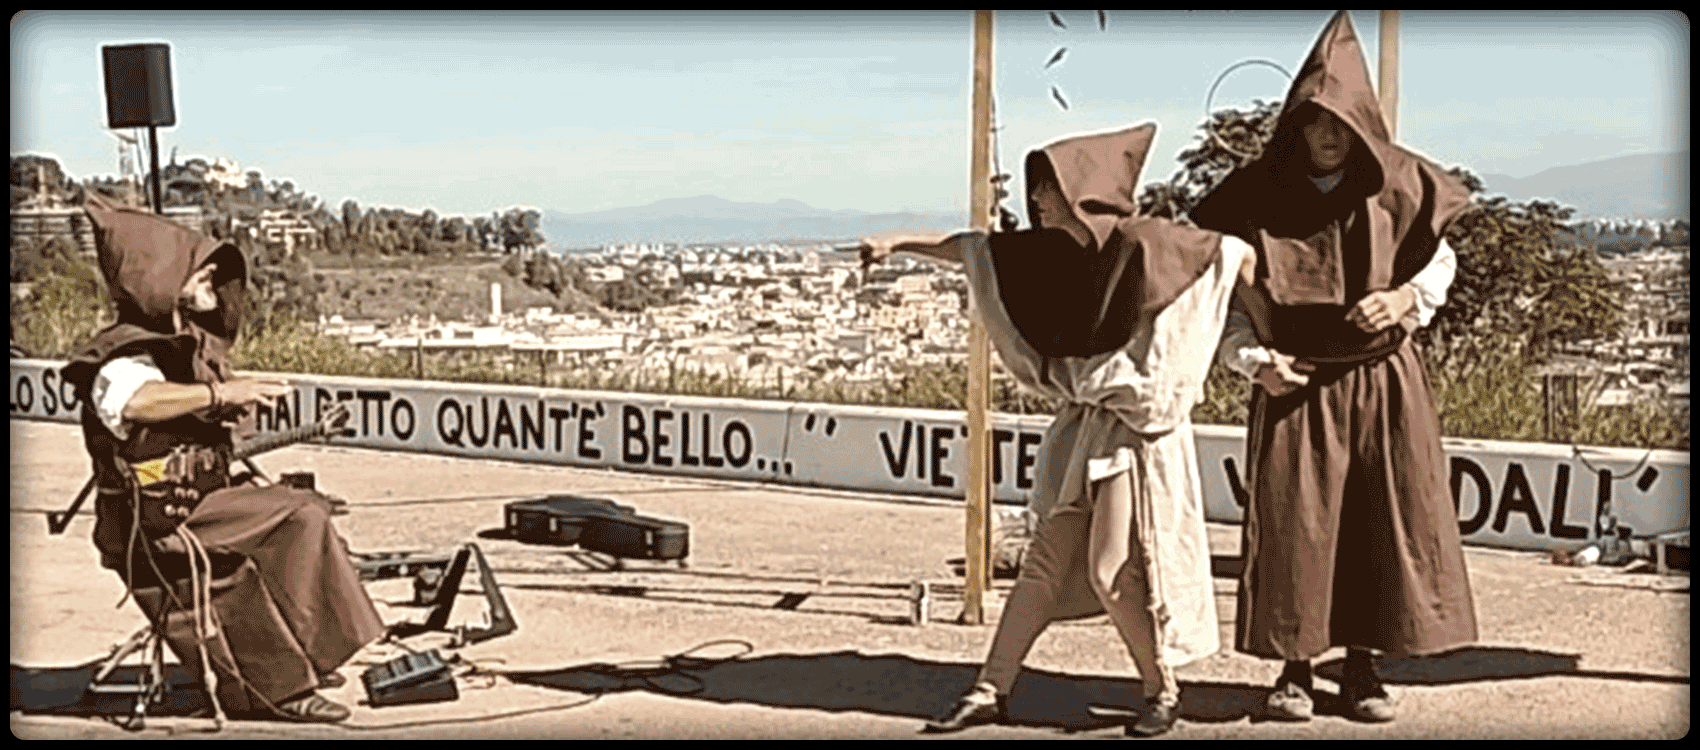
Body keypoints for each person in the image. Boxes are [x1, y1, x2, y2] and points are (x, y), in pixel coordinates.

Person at [860, 123, 1256, 737]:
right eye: (1038, 189)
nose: (1036, 201)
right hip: (1086, 433)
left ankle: (1161, 690)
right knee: (1045, 564)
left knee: (1108, 570)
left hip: (1136, 439)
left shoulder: (1152, 244)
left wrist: (1280, 316)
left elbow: (1231, 255)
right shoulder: (1048, 254)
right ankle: (990, 688)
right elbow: (975, 249)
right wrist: (898, 243)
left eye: (1048, 189)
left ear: (1083, 193)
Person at [1189, 10, 1478, 724]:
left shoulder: (1402, 186)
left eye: (1340, 124)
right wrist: (1254, 362)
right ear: (1296, 124)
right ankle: (1293, 667)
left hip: (1384, 380)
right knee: (1298, 527)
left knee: (1379, 521)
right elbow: (1224, 294)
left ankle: (1362, 668)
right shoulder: (1254, 198)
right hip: (1296, 381)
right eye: (1315, 123)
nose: (1327, 137)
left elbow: (1438, 261)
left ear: (1359, 124)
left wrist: (1403, 298)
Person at [60, 191, 385, 724]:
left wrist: (231, 411)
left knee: (305, 512)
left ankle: (309, 653)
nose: (212, 287)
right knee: (278, 534)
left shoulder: (183, 348)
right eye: (203, 277)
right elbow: (134, 402)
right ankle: (274, 691)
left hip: (201, 502)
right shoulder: (123, 356)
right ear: (164, 279)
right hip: (158, 522)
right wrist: (218, 397)